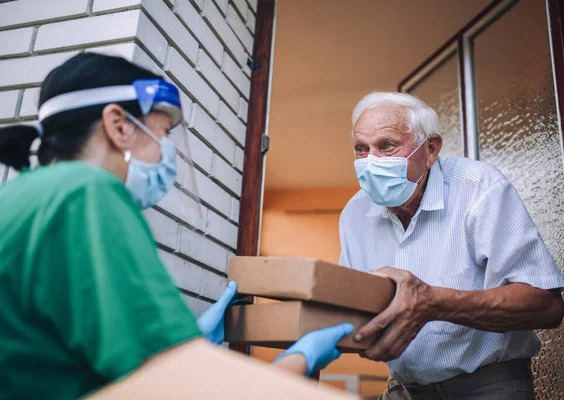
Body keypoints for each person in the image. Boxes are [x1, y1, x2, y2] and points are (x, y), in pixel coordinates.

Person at [0, 53, 352, 399]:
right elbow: (178, 389)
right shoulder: (87, 193)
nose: (165, 150)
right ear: (118, 125)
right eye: (163, 132)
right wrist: (297, 360)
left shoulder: (18, 196)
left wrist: (186, 342)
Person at [338, 92, 564, 400]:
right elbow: (349, 306)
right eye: (361, 149)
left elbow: (546, 306)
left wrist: (434, 302)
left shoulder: (479, 187)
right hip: (404, 389)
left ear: (430, 149)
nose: (371, 162)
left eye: (387, 145)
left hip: (487, 387)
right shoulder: (354, 213)